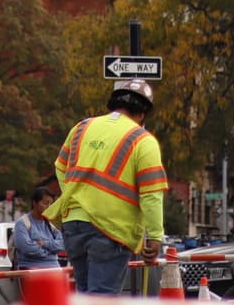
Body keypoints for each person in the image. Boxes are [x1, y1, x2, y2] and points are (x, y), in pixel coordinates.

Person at [45, 79, 167, 294]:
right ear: (143, 113)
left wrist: (76, 197)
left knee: (85, 296)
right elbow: (151, 194)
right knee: (102, 299)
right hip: (110, 228)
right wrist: (155, 236)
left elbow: (60, 167)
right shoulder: (142, 140)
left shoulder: (82, 128)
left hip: (73, 223)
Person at [14, 186, 64, 271]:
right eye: (45, 203)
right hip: (31, 267)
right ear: (34, 203)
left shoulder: (52, 223)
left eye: (51, 203)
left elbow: (62, 244)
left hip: (54, 267)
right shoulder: (22, 223)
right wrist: (49, 252)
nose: (49, 206)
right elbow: (27, 248)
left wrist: (44, 244)